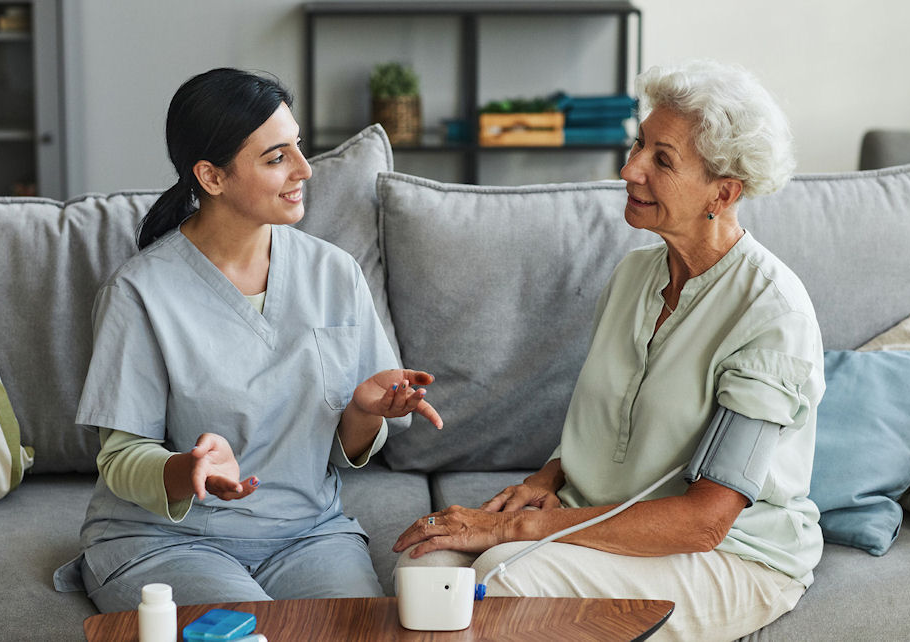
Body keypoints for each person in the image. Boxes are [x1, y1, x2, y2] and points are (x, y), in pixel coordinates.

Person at [393, 59, 824, 641]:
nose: (629, 169)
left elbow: (704, 523)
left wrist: (514, 531)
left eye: (661, 160)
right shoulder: (635, 276)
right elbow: (610, 426)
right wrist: (546, 481)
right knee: (426, 564)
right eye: (637, 145)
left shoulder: (772, 316)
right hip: (604, 520)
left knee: (503, 578)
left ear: (722, 192)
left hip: (735, 559)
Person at [53, 68, 442, 613]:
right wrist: (188, 470)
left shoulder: (335, 273)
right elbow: (121, 458)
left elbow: (340, 447)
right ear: (211, 177)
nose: (305, 170)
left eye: (298, 147)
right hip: (169, 542)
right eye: (276, 157)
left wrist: (363, 411)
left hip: (308, 536)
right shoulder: (139, 292)